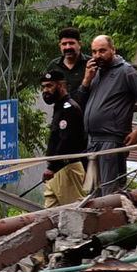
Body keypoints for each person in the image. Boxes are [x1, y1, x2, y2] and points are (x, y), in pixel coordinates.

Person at [78, 33, 137, 196]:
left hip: (112, 141)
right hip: (92, 141)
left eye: (102, 51)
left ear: (113, 50)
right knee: (93, 195)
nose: (97, 56)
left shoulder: (126, 71)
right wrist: (86, 81)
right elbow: (80, 103)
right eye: (94, 52)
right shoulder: (95, 73)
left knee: (110, 194)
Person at [40, 67, 88, 208]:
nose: (45, 90)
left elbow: (66, 141)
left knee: (75, 214)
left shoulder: (70, 108)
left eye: (49, 86)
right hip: (56, 171)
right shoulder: (59, 107)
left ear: (60, 85)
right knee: (48, 216)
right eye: (43, 87)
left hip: (68, 168)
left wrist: (53, 167)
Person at [46, 26, 88, 102]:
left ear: (79, 44)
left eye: (71, 43)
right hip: (61, 113)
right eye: (64, 44)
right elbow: (48, 100)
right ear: (60, 46)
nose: (68, 47)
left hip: (86, 113)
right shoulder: (53, 66)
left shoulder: (91, 64)